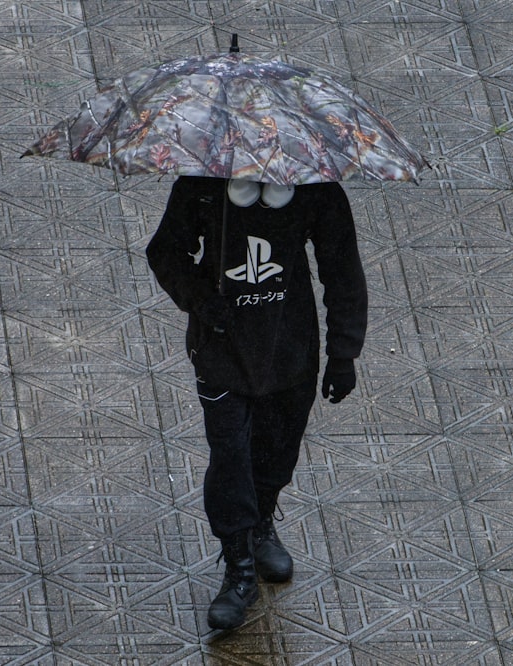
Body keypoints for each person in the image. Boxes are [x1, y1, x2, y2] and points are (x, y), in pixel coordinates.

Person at [146, 176, 367, 631]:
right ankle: (238, 565)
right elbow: (165, 251)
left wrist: (343, 353)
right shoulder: (202, 187)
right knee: (229, 455)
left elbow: (341, 267)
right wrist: (201, 300)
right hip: (221, 350)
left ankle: (262, 518)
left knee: (277, 449)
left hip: (290, 349)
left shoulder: (316, 189)